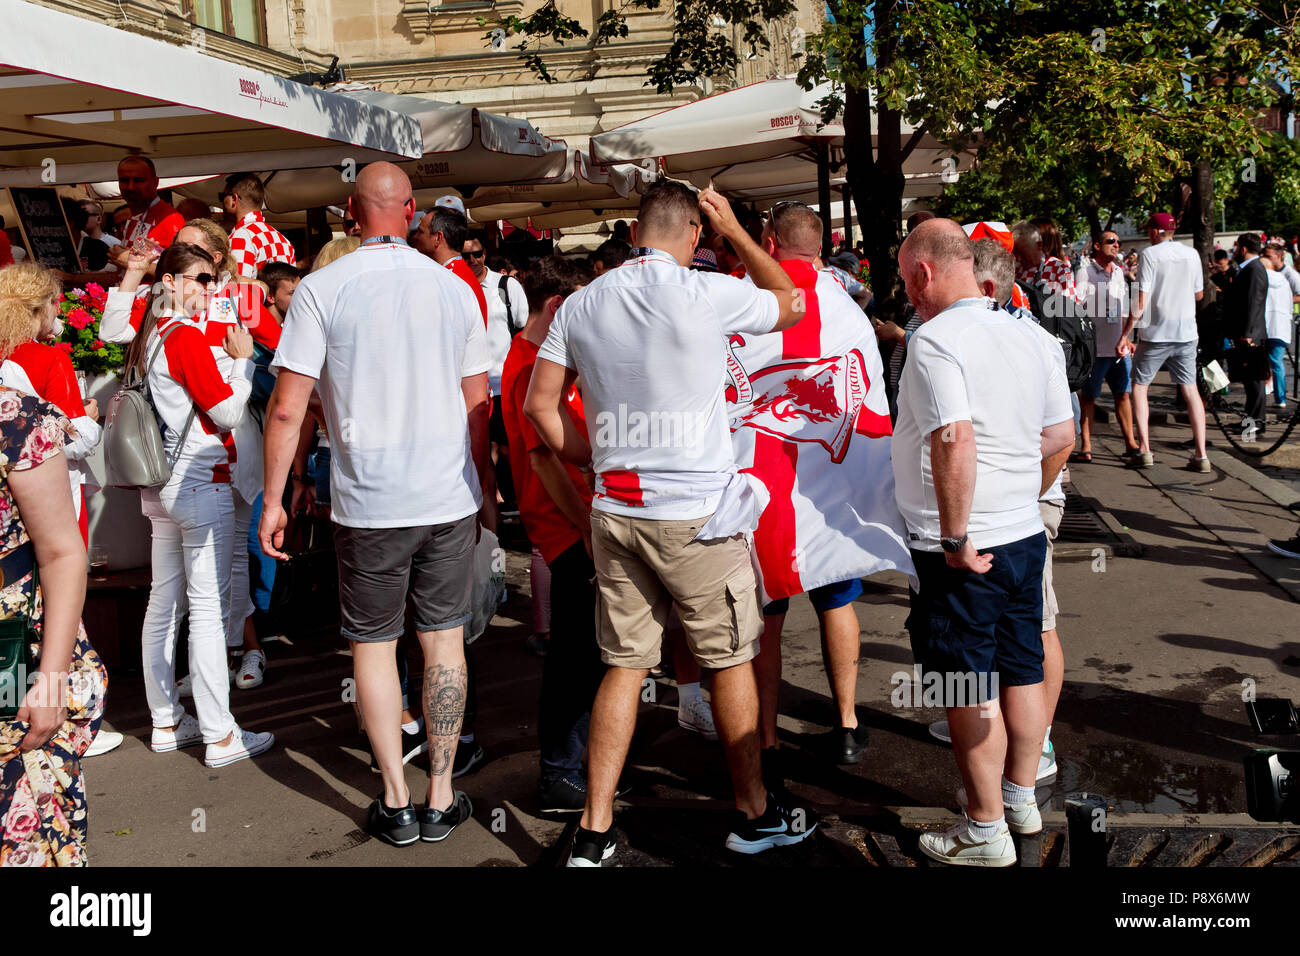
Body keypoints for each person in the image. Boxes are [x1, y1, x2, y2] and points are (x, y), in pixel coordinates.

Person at [525, 179, 815, 866]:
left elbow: (541, 408)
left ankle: (593, 831)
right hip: (694, 514)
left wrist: (596, 453)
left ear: (633, 232)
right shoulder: (705, 290)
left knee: (623, 667)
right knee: (728, 660)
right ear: (692, 232)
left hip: (617, 507)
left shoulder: (581, 303)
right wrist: (740, 236)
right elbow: (792, 303)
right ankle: (752, 814)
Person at [261, 162, 489, 848]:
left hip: (368, 501)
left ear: (349, 215)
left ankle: (394, 798)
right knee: (442, 639)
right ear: (413, 211)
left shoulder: (321, 289)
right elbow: (478, 404)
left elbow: (285, 409)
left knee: (374, 646)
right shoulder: (453, 290)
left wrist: (275, 497)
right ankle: (441, 794)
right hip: (447, 493)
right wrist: (485, 488)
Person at [893, 219, 1074, 867]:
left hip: (966, 550)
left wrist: (957, 535)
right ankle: (1021, 798)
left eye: (905, 279)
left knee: (966, 687)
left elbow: (953, 438)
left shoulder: (936, 340)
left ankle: (983, 828)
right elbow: (1060, 439)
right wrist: (1019, 500)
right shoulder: (1031, 334)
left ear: (924, 273)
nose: (907, 293)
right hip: (1023, 534)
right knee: (1021, 667)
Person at [743, 202, 890, 771]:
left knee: (767, 615)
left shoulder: (750, 301)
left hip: (768, 491)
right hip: (833, 491)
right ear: (821, 245)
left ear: (770, 243)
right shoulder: (845, 306)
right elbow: (870, 397)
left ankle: (766, 737)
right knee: (837, 601)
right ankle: (849, 724)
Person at [126, 242, 273, 768]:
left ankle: (167, 721)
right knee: (206, 610)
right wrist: (241, 364)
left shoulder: (149, 334)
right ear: (169, 281)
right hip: (198, 479)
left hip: (163, 484)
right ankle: (220, 735)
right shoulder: (181, 334)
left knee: (164, 605)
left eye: (212, 279)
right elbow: (230, 413)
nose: (209, 288)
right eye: (198, 278)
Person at [0, 285, 107, 865]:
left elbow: (63, 554)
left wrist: (51, 680)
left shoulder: (15, 417)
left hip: (10, 648)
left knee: (27, 825)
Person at [500, 254, 604, 812]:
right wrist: (587, 527)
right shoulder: (528, 365)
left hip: (571, 523)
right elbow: (543, 463)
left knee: (587, 654)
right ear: (560, 307)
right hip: (566, 527)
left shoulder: (539, 355)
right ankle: (560, 773)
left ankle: (583, 766)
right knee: (574, 657)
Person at [1116, 213, 1209, 469]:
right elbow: (1199, 294)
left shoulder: (1150, 255)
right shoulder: (1191, 254)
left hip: (1157, 333)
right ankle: (1201, 454)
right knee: (1191, 390)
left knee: (1140, 386)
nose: (1148, 234)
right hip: (1186, 332)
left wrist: (1125, 334)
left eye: (1149, 230)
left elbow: (1141, 301)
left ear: (1156, 231)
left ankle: (1145, 449)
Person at [1074, 230, 1140, 460]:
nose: (1116, 245)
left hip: (1118, 348)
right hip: (1095, 349)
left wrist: (1127, 337)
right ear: (1097, 246)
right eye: (1110, 241)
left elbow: (1122, 311)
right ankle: (1087, 446)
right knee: (1089, 398)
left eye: (1118, 242)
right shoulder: (1086, 271)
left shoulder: (1120, 273)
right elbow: (1077, 305)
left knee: (1123, 395)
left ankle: (1131, 443)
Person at [1223, 233, 1270, 439]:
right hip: (1246, 331)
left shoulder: (1254, 269)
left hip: (1250, 333)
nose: (1234, 251)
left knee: (1254, 381)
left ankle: (1256, 423)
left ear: (1243, 248)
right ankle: (1250, 420)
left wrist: (1248, 333)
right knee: (1249, 381)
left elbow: (1254, 303)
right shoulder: (1248, 269)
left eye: (1236, 247)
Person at [108, 156, 185, 270]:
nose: (131, 187)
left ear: (155, 182)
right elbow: (122, 275)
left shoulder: (170, 219)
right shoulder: (132, 218)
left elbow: (180, 272)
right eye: (124, 180)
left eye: (139, 180)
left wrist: (130, 262)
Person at [222, 173, 296, 280]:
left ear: (234, 199)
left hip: (254, 296)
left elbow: (238, 288)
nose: (221, 202)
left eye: (222, 196)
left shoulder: (241, 236)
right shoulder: (283, 240)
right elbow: (290, 287)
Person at [1262, 240, 1299, 409]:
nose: (1266, 259)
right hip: (1269, 322)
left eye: (1268, 256)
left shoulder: (1290, 275)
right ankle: (1271, 386)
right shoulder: (1265, 273)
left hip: (1281, 319)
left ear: (1278, 256)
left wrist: (1283, 301)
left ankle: (1280, 396)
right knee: (1269, 360)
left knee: (1276, 360)